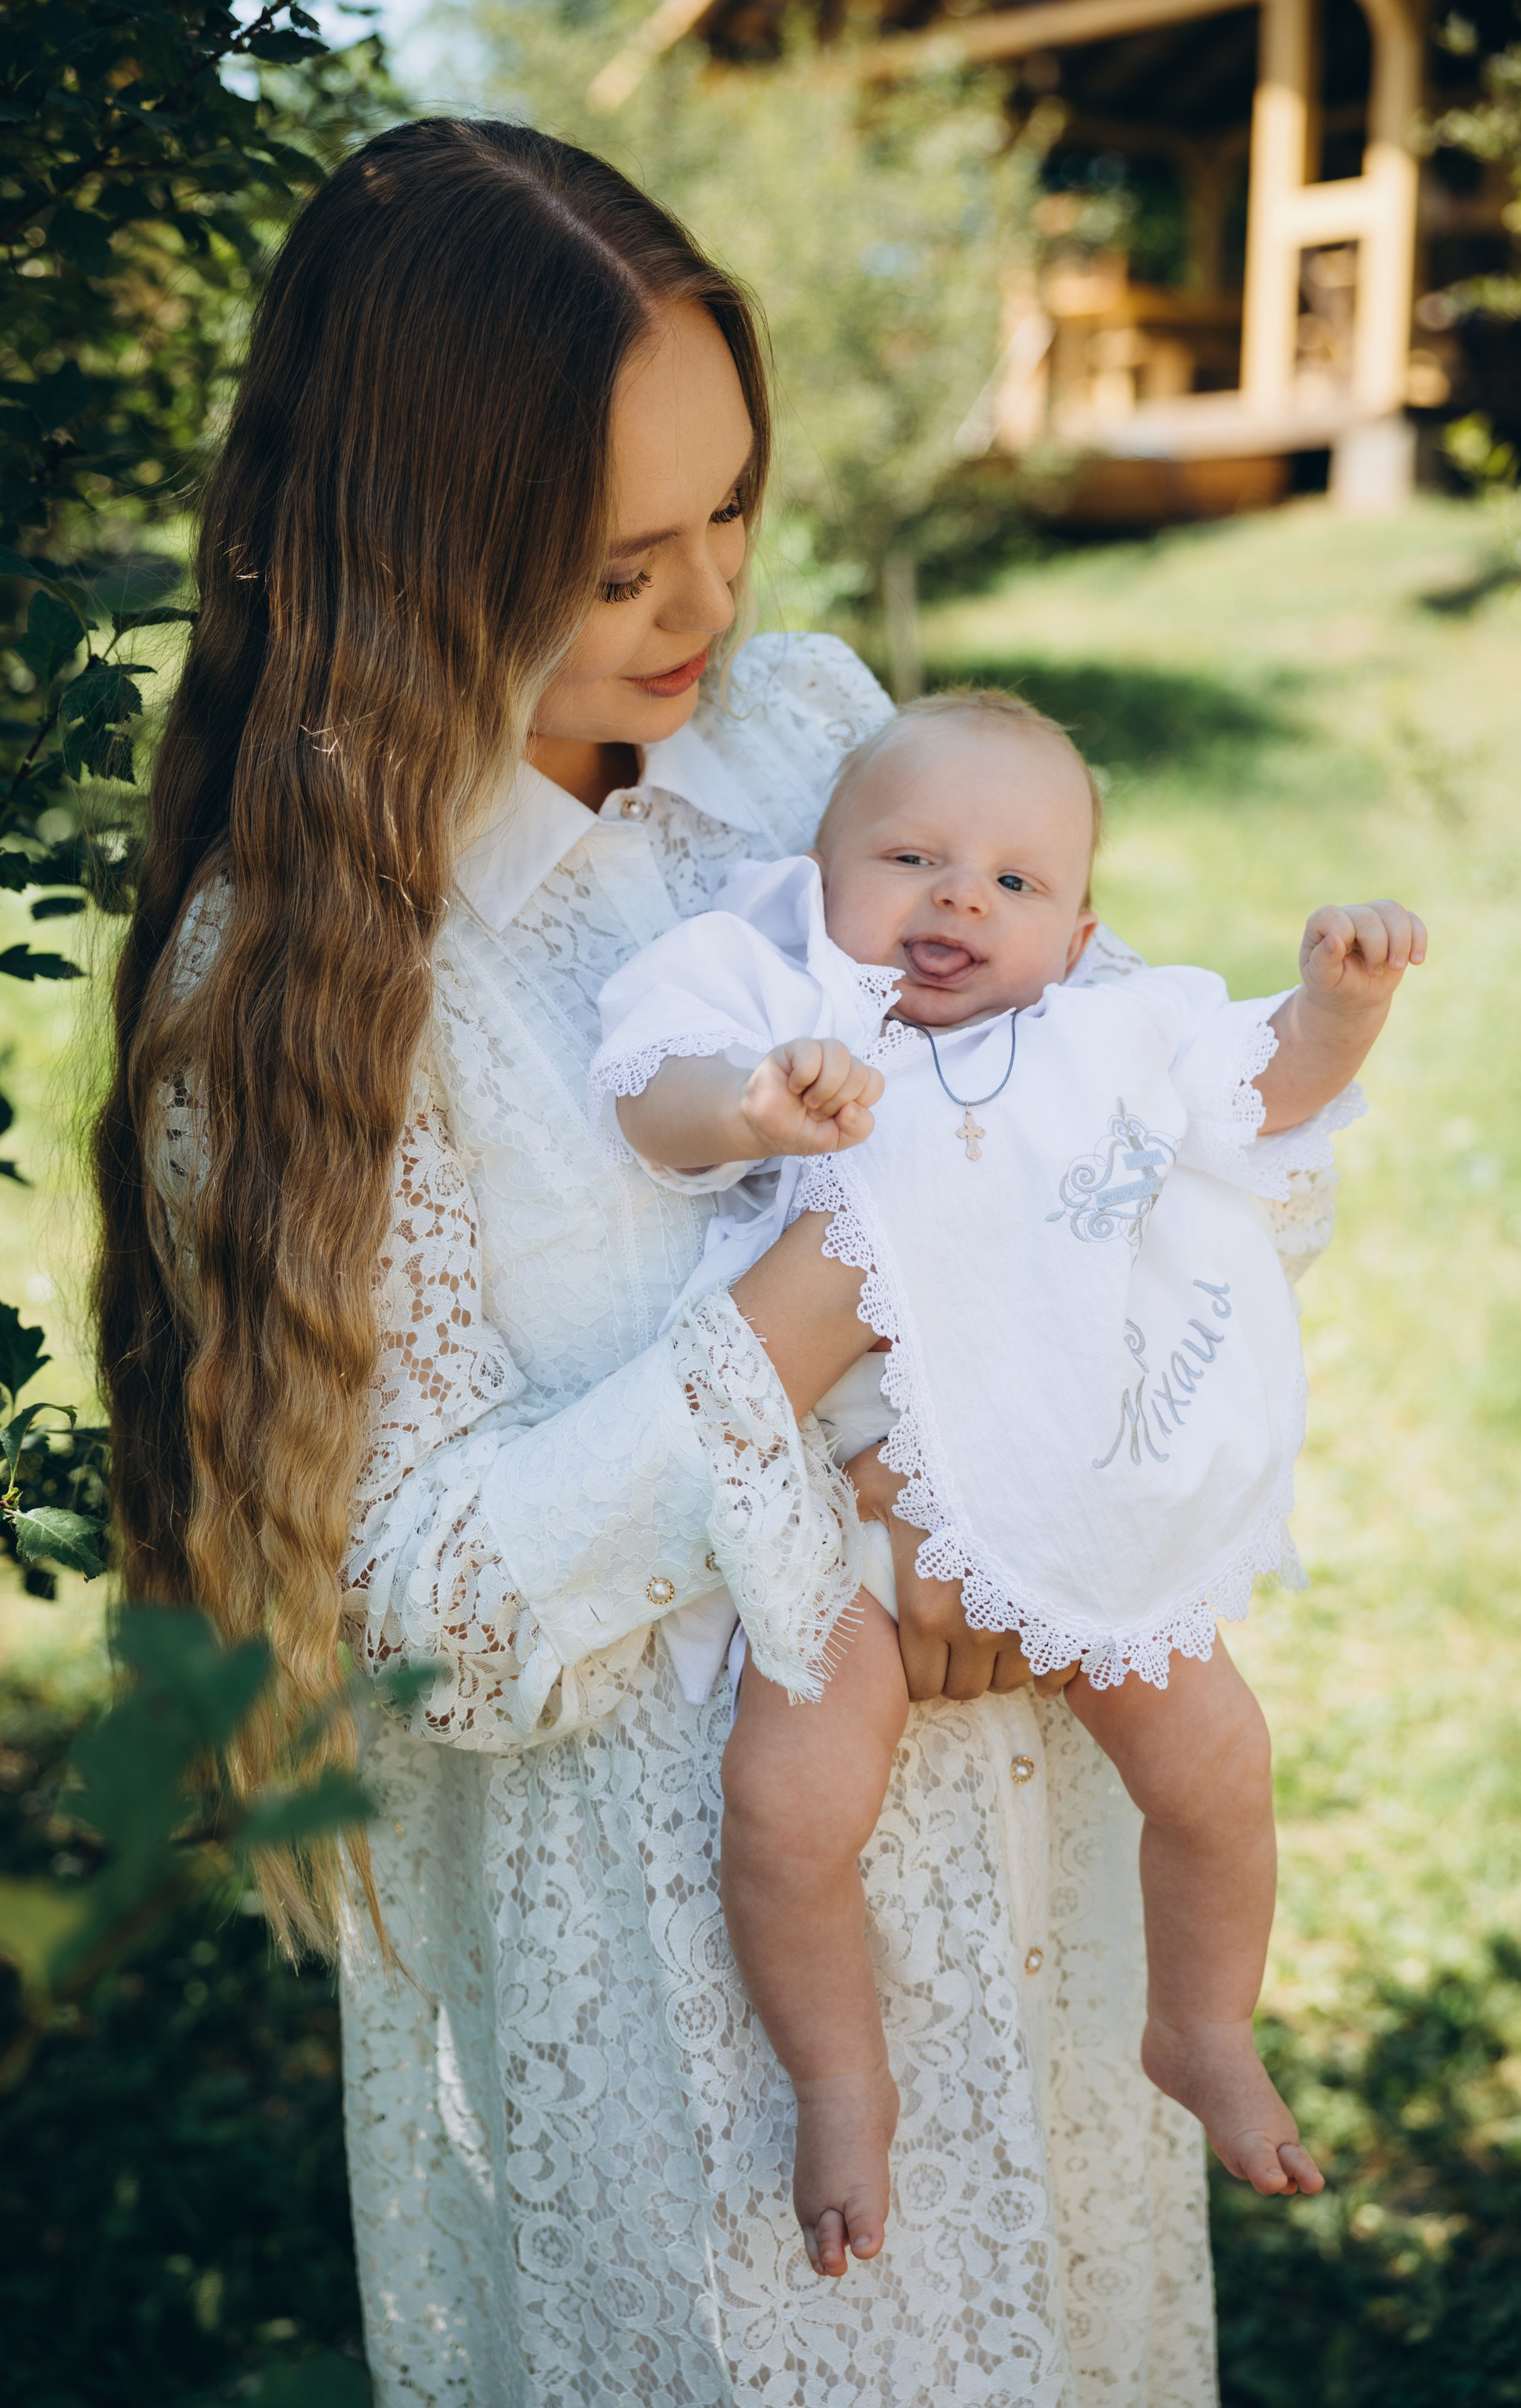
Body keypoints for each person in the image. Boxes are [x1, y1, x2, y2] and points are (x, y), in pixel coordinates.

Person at [93, 116, 1341, 2405]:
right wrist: (833, 1301)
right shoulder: (305, 980)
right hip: (671, 1964)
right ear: (409, 557)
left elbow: (1115, 1098)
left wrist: (1031, 1492)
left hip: (990, 1819)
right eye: (615, 566)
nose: (707, 610)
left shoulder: (806, 730)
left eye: (734, 513)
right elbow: (426, 1598)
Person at [595, 688, 1426, 2273]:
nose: (959, 897)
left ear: (1077, 930)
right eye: (911, 856)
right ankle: (839, 2080)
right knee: (784, 1805)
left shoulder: (1110, 1034)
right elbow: (651, 1083)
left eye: (1014, 881)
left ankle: (1199, 2023)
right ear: (820, 871)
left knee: (1213, 1760)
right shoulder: (773, 981)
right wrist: (749, 1101)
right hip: (830, 1506)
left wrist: (1338, 1009)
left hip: (1054, 1474)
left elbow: (1265, 1092)